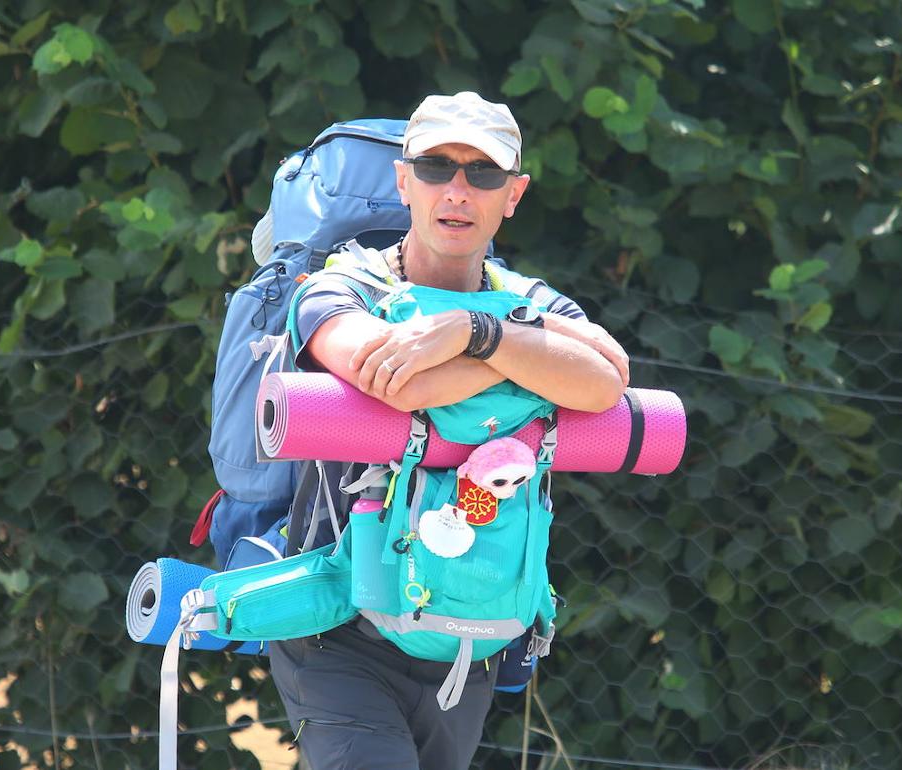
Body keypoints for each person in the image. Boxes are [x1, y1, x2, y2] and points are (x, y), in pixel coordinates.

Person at [267, 91, 630, 770]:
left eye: (483, 174)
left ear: (513, 195)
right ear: (404, 181)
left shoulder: (526, 301)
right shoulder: (338, 288)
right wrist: (531, 361)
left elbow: (607, 380)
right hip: (337, 628)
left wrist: (474, 331)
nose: (457, 191)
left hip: (467, 631)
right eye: (436, 167)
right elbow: (399, 384)